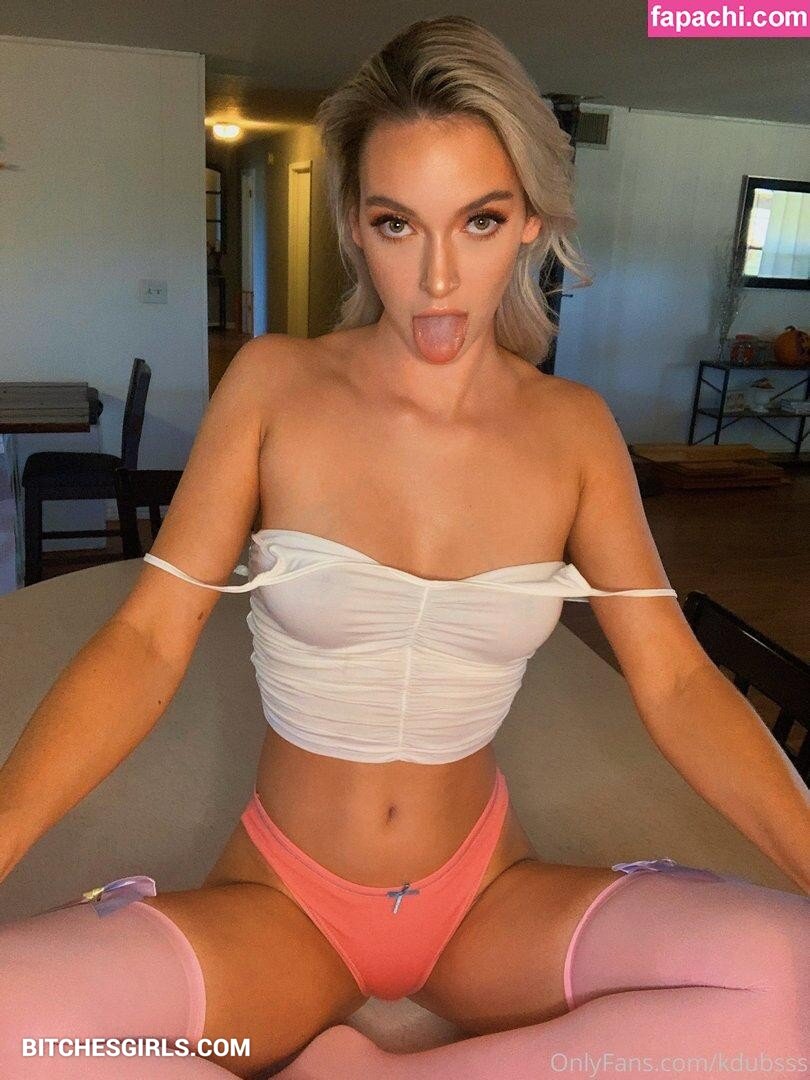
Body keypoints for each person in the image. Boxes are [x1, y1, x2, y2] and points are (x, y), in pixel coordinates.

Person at [1, 15, 808, 1080]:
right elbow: (149, 641)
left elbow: (678, 681)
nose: (436, 278)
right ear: (353, 222)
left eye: (480, 221)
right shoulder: (276, 385)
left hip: (486, 900)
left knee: (795, 982)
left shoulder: (574, 431)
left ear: (530, 221)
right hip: (283, 904)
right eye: (397, 224)